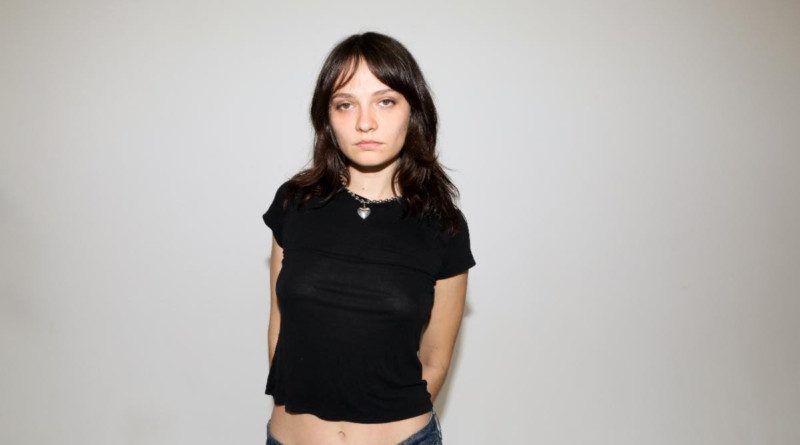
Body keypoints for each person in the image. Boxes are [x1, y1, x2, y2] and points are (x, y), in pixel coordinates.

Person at [261, 31, 476, 445]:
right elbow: (278, 327)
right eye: (346, 104)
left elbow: (436, 359)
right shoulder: (295, 203)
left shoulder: (443, 225)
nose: (365, 122)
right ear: (328, 118)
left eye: (385, 101)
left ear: (413, 110)